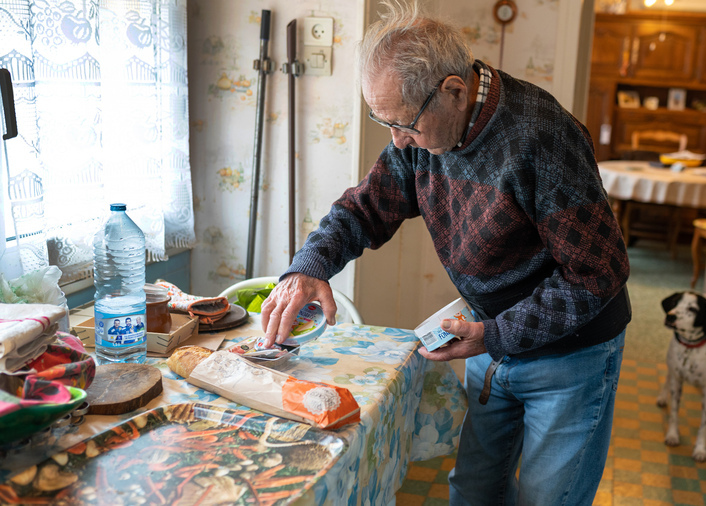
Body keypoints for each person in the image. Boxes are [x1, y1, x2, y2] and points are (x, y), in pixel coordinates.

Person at [261, 2, 631, 504]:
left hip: (570, 356)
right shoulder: (418, 128)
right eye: (383, 121)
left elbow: (597, 273)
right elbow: (363, 209)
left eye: (404, 125)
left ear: (454, 91)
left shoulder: (543, 137)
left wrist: (496, 333)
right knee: (474, 491)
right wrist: (310, 266)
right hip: (491, 341)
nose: (397, 141)